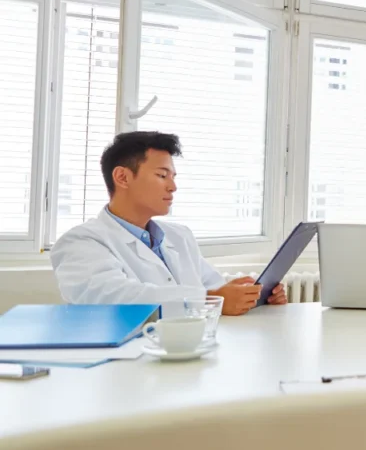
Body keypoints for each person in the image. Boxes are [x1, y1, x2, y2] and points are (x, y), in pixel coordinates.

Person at [50, 132, 287, 316]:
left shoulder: (179, 236)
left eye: (173, 177)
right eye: (162, 176)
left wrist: (252, 297)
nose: (172, 187)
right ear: (122, 177)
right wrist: (210, 300)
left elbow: (214, 289)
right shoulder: (81, 242)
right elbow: (112, 297)